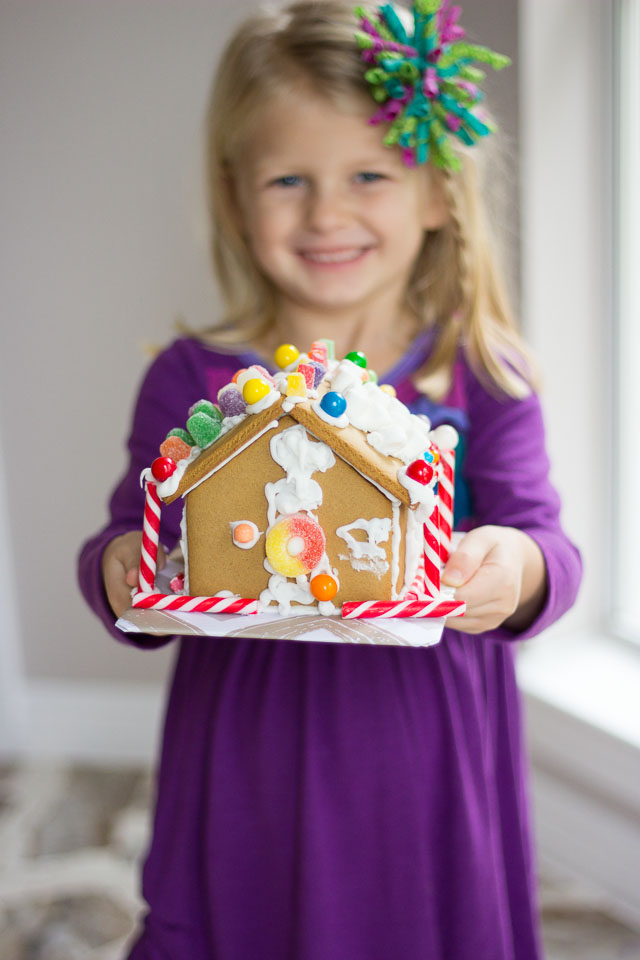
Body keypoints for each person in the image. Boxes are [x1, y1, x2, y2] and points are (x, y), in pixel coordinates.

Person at [78, 2, 581, 957]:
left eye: (368, 175)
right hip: (249, 743)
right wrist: (121, 570)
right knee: (249, 917)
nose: (327, 212)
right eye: (288, 179)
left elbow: (548, 542)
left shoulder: (484, 373)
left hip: (427, 748)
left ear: (435, 192)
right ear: (235, 198)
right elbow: (119, 549)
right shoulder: (193, 382)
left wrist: (507, 567)